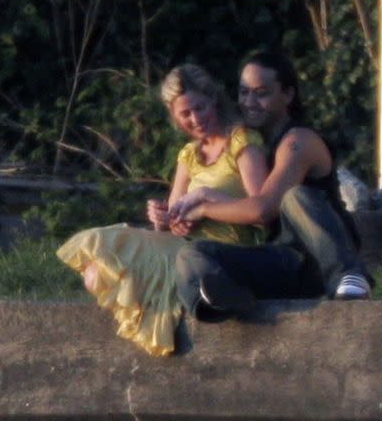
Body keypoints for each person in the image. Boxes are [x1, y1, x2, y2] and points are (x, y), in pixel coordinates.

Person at [56, 63, 268, 356]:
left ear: (214, 101)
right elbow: (170, 222)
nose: (195, 119)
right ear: (174, 116)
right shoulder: (189, 155)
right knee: (95, 267)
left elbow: (261, 209)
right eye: (185, 113)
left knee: (102, 270)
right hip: (181, 245)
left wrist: (206, 202)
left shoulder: (242, 142)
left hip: (222, 249)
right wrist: (163, 216)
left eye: (200, 108)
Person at [170, 51, 373, 320]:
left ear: (287, 95)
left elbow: (263, 209)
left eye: (261, 93)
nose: (250, 102)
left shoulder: (298, 141)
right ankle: (222, 302)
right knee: (192, 253)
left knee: (294, 196)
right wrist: (170, 214)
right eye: (244, 93)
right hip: (283, 260)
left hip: (316, 258)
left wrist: (205, 205)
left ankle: (349, 275)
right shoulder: (251, 144)